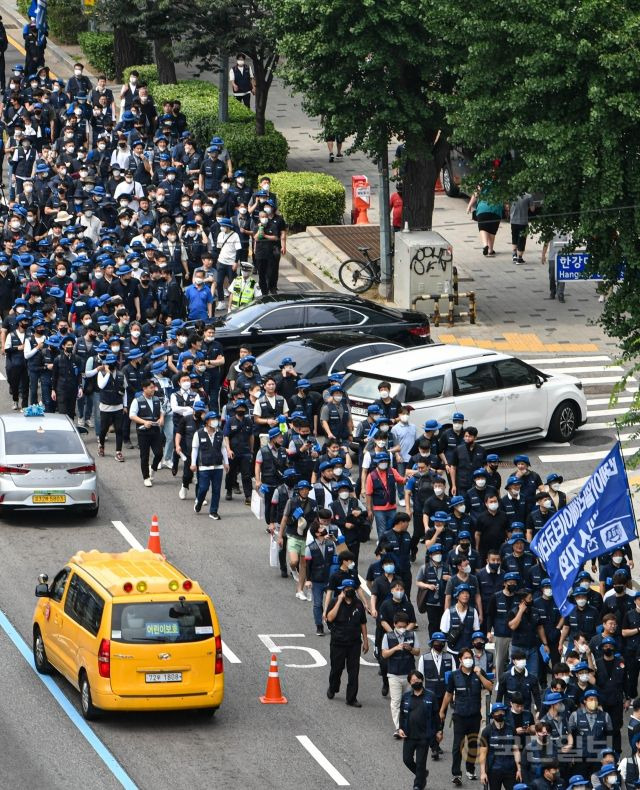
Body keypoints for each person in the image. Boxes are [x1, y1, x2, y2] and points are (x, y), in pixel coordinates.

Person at [440, 645, 494, 785]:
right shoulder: (454, 676)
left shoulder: (479, 672)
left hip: (475, 716)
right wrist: (442, 710)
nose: (469, 660)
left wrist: (480, 675)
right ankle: (456, 774)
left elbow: (490, 687)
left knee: (473, 744)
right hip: (459, 716)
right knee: (457, 745)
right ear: (460, 660)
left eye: (470, 658)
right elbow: (448, 695)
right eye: (466, 658)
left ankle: (470, 769)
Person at [326, 578, 369, 707]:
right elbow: (330, 617)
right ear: (342, 590)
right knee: (336, 668)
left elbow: (363, 623)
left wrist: (365, 641)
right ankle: (333, 688)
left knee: (354, 671)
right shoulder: (335, 601)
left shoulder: (358, 604)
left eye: (351, 589)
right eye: (346, 589)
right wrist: (339, 600)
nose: (349, 591)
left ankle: (351, 698)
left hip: (354, 643)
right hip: (338, 642)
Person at [399, 669, 443, 790]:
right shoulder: (406, 697)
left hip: (424, 736)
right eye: (413, 680)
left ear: (422, 680)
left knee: (420, 763)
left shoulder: (431, 696)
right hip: (409, 735)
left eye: (418, 680)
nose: (416, 682)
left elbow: (436, 715)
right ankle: (422, 774)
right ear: (410, 683)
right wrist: (400, 728)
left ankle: (418, 784)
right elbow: (402, 714)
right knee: (407, 760)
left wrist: (439, 730)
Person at [381, 611, 421, 737]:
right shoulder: (388, 636)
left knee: (410, 701)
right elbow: (384, 654)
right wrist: (395, 648)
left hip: (409, 674)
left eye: (404, 626)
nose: (402, 629)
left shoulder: (412, 635)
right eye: (399, 626)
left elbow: (417, 652)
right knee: (396, 702)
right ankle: (399, 728)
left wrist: (411, 649)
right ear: (394, 625)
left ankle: (409, 725)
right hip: (394, 674)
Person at [418, 631, 454, 762]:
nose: (439, 645)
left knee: (441, 719)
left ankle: (436, 744)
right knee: (430, 720)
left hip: (444, 694)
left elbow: (453, 678)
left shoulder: (449, 658)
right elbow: (420, 677)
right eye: (437, 643)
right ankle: (434, 746)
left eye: (441, 643)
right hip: (429, 694)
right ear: (432, 643)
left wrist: (453, 696)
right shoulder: (424, 658)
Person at [191, 410, 228, 520]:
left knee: (216, 490)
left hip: (218, 467)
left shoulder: (220, 433)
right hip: (204, 467)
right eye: (213, 419)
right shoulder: (199, 433)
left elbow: (223, 448)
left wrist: (226, 462)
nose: (215, 421)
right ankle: (199, 501)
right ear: (207, 421)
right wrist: (193, 463)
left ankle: (213, 511)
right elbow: (195, 450)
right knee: (203, 488)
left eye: (216, 419)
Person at [129, 378, 165, 487]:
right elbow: (132, 415)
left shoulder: (156, 399)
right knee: (144, 455)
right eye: (151, 387)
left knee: (159, 453)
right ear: (144, 389)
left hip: (155, 430)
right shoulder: (137, 400)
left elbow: (162, 411)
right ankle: (146, 477)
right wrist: (144, 422)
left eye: (153, 387)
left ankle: (153, 468)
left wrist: (162, 419)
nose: (153, 389)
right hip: (143, 432)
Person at [478, 702, 522, 790]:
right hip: (493, 771)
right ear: (493, 714)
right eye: (497, 712)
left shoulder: (512, 730)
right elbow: (483, 754)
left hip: (510, 770)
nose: (500, 714)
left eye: (502, 711)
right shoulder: (486, 731)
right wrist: (483, 773)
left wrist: (519, 769)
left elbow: (516, 750)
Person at [304, 522, 337, 636]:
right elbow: (307, 565)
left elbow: (335, 559)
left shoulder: (330, 544)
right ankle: (319, 625)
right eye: (321, 528)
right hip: (316, 580)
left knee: (332, 603)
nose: (324, 528)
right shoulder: (310, 547)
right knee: (318, 604)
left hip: (330, 579)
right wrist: (308, 580)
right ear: (317, 533)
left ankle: (330, 622)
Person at [96, 352, 125, 462]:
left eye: (113, 363)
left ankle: (118, 452)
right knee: (103, 430)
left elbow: (124, 391)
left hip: (118, 406)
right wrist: (107, 373)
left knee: (119, 430)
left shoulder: (121, 374)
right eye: (109, 363)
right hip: (105, 407)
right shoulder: (101, 373)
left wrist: (125, 405)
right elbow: (101, 385)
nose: (111, 365)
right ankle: (101, 445)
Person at [467, 186, 503, 257]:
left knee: (483, 228)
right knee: (492, 231)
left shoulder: (482, 180)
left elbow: (476, 194)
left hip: (483, 208)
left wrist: (469, 206)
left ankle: (485, 245)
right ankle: (490, 250)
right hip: (496, 208)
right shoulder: (500, 181)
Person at [542, 231, 572, 303]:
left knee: (562, 276)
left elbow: (570, 243)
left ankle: (560, 294)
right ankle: (553, 291)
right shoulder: (550, 230)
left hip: (563, 257)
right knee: (552, 276)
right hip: (552, 257)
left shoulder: (567, 230)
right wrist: (543, 255)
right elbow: (546, 243)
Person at [510, 194, 534, 264]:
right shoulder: (529, 196)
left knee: (514, 237)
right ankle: (519, 258)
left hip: (513, 220)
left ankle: (514, 255)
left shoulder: (512, 194)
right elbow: (532, 209)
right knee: (522, 239)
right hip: (523, 221)